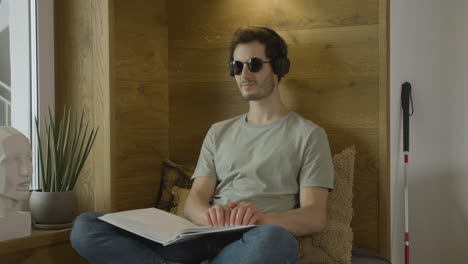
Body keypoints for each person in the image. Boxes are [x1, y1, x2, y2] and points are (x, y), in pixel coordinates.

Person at [71, 26, 334, 264]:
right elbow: (195, 200)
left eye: (253, 64)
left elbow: (314, 216)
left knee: (278, 242)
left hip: (255, 240)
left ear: (278, 67)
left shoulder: (309, 135)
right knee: (87, 226)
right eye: (236, 66)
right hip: (199, 238)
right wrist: (208, 214)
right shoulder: (218, 132)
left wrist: (260, 219)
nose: (243, 74)